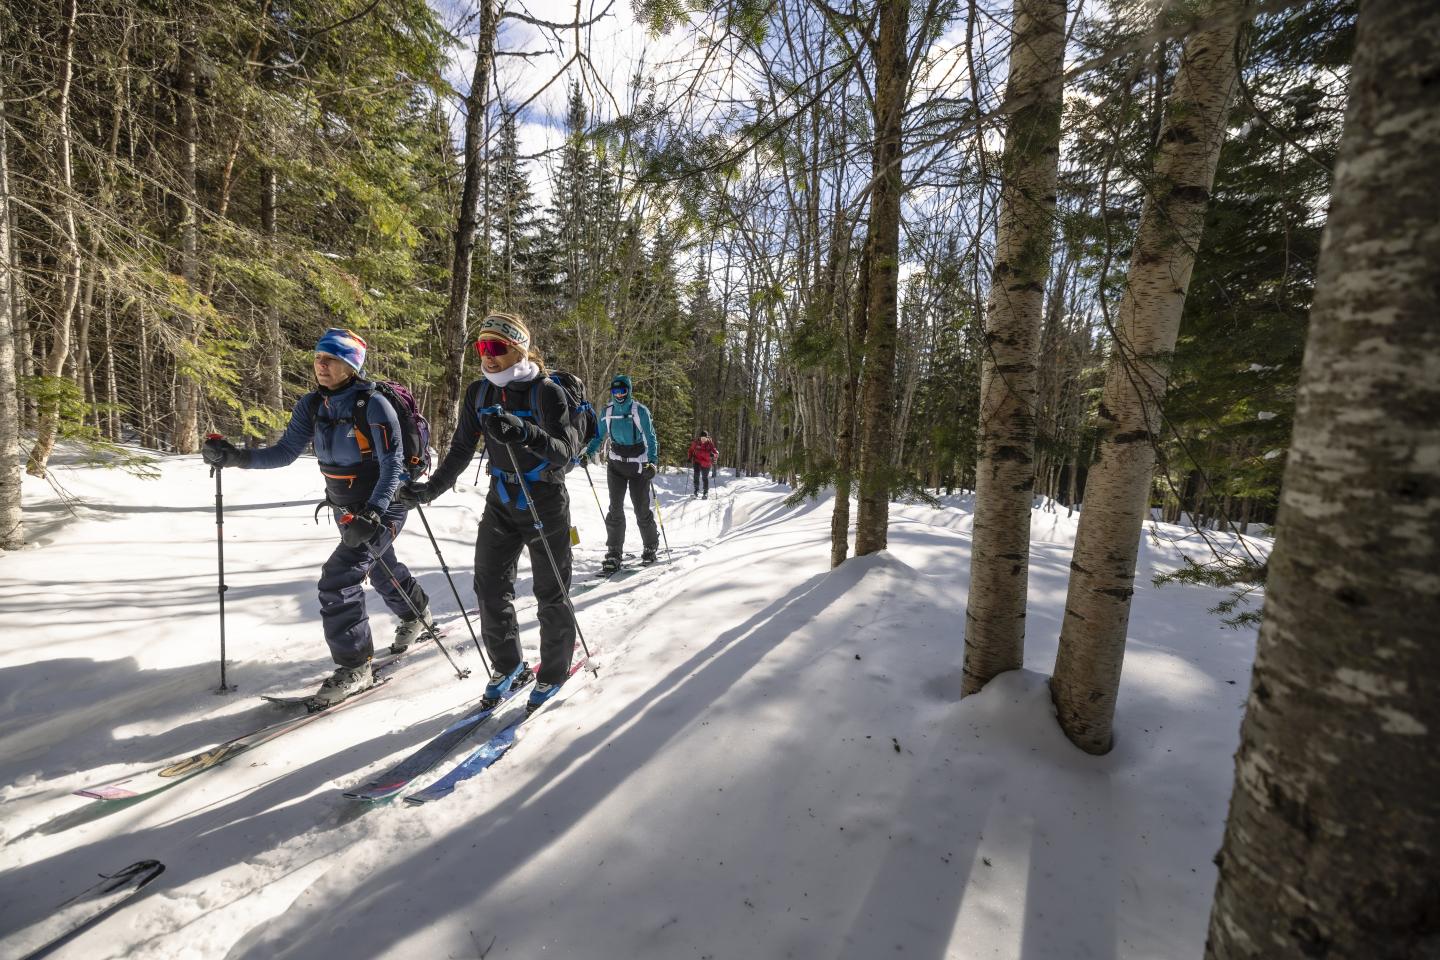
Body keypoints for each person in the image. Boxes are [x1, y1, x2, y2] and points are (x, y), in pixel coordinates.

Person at [202, 329, 431, 707]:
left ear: (351, 366)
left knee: (338, 580)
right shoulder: (312, 405)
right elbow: (285, 452)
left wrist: (374, 513)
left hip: (384, 504)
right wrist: (235, 457)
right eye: (319, 357)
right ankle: (417, 612)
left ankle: (356, 666)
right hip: (347, 507)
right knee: (379, 565)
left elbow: (393, 466)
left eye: (332, 359)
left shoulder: (373, 405)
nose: (321, 365)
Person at [400, 313, 580, 712]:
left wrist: (523, 431)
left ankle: (553, 671)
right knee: (489, 586)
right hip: (501, 500)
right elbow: (462, 448)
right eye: (482, 347)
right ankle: (509, 666)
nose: (488, 356)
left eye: (497, 347)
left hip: (545, 501)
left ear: (518, 348)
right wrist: (429, 489)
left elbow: (564, 453)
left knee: (551, 591)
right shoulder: (478, 393)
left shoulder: (545, 392)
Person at [585, 374, 659, 572]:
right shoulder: (607, 412)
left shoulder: (639, 411)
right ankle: (614, 551)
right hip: (616, 465)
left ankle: (651, 544)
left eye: (623, 391)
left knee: (641, 508)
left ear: (629, 391)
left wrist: (652, 462)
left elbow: (651, 438)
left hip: (638, 465)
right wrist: (588, 453)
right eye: (615, 391)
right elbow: (598, 436)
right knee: (615, 509)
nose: (619, 395)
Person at [686, 431, 719, 499]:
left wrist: (714, 455)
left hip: (706, 463)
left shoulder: (710, 444)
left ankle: (705, 492)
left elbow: (716, 453)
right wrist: (689, 457)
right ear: (700, 437)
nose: (703, 439)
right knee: (696, 476)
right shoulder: (696, 443)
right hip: (697, 461)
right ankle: (696, 491)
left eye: (705, 438)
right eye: (702, 438)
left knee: (704, 477)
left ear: (707, 438)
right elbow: (691, 450)